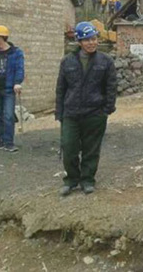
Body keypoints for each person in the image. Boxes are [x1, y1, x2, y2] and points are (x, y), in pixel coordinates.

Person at [56, 22, 117, 196]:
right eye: (87, 40)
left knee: (91, 150)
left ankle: (87, 180)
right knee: (69, 148)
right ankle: (71, 179)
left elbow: (111, 87)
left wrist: (107, 109)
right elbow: (61, 88)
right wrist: (59, 112)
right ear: (79, 41)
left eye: (94, 39)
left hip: (95, 113)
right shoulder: (67, 61)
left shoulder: (105, 61)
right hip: (71, 113)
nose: (92, 43)